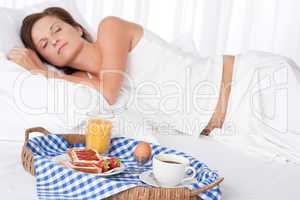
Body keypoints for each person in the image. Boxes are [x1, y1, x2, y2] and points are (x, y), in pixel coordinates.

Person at [7, 7, 300, 163]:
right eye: (44, 44)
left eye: (56, 28)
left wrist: (44, 73)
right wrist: (43, 75)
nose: (54, 39)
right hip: (238, 124)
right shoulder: (84, 84)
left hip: (252, 84)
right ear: (47, 58)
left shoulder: (111, 29)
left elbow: (110, 92)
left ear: (78, 28)